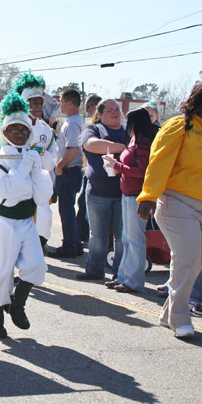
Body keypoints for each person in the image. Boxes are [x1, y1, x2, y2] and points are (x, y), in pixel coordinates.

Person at [137, 80, 202, 338]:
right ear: (198, 103)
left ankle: (168, 311)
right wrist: (148, 196)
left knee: (197, 262)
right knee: (188, 254)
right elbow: (158, 161)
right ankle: (180, 318)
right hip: (176, 200)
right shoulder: (180, 126)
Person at [0, 91, 52, 338]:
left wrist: (35, 169)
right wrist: (25, 167)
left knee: (36, 265)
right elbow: (5, 194)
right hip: (4, 222)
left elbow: (43, 196)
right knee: (2, 271)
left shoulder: (31, 155)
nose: (20, 134)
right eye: (14, 129)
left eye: (24, 130)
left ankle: (17, 303)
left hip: (26, 221)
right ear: (4, 132)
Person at [103, 107, 158, 293]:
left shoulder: (143, 143)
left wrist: (117, 165)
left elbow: (143, 172)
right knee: (127, 238)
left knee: (135, 240)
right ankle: (123, 276)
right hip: (128, 195)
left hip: (137, 196)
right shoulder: (135, 139)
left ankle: (134, 281)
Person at [78, 98, 128, 282]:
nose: (115, 113)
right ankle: (94, 271)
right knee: (97, 236)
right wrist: (123, 148)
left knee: (122, 238)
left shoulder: (127, 132)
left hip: (123, 194)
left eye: (117, 110)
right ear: (99, 115)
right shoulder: (94, 130)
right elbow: (92, 145)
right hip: (97, 193)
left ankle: (119, 274)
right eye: (110, 110)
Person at [17, 73, 59, 249]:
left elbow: (51, 162)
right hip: (18, 182)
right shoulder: (13, 125)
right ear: (24, 103)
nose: (39, 106)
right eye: (34, 102)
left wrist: (40, 155)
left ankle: (36, 254)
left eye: (41, 102)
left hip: (38, 183)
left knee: (44, 219)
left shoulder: (46, 130)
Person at [47, 89, 85, 259]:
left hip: (69, 171)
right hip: (72, 170)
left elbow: (73, 149)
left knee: (66, 210)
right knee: (68, 209)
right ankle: (75, 244)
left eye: (61, 101)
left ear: (69, 103)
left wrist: (60, 166)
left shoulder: (72, 123)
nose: (59, 104)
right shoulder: (77, 121)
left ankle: (69, 246)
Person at [76, 94, 102, 244]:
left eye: (87, 108)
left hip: (93, 173)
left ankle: (82, 236)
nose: (87, 111)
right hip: (92, 172)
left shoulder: (94, 128)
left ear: (93, 107)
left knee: (85, 205)